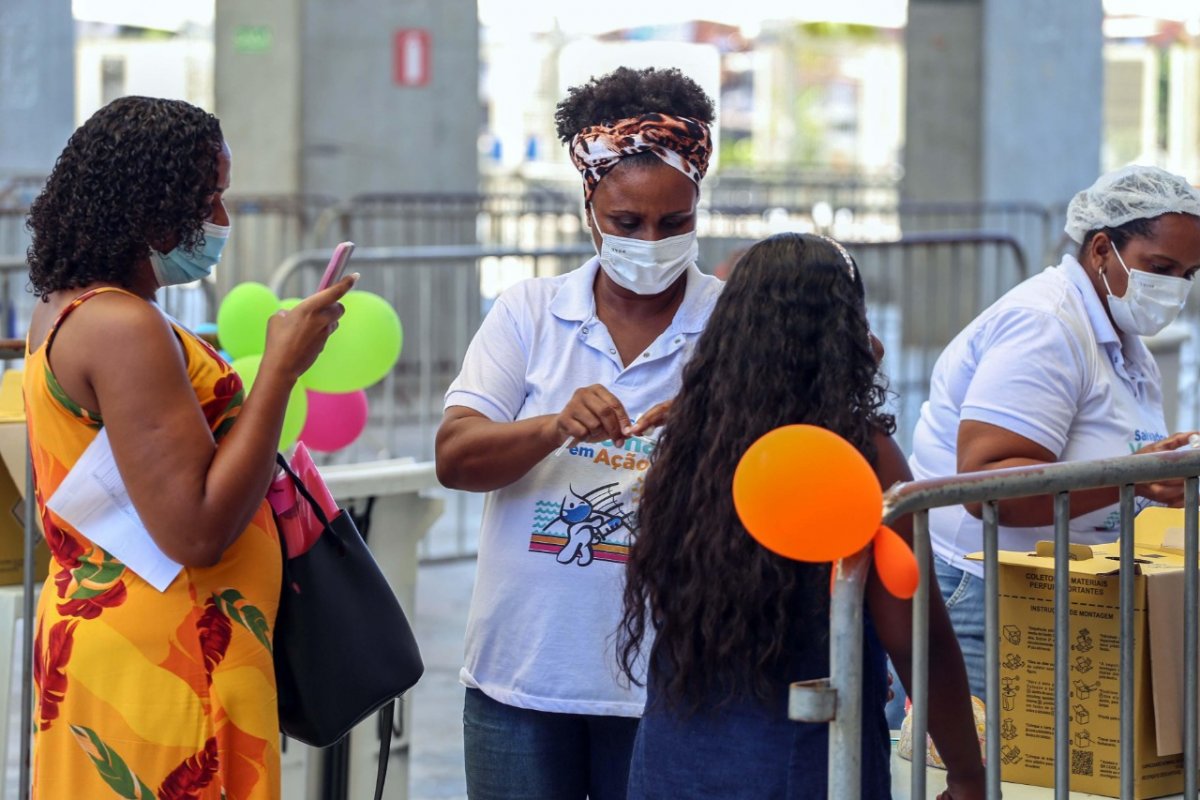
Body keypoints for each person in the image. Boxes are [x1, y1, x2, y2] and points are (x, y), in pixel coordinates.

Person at [23, 96, 352, 798]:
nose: (221, 223)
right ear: (147, 206)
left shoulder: (70, 306)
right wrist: (281, 371)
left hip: (134, 643)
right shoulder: (121, 325)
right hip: (172, 657)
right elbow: (195, 528)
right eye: (210, 201)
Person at [435, 66, 722, 799]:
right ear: (588, 206)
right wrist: (552, 426)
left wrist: (712, 431)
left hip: (671, 685)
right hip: (524, 681)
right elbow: (456, 456)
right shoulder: (530, 313)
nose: (651, 242)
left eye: (675, 223)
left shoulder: (730, 322)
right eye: (628, 223)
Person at [618, 232, 985, 799]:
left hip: (675, 756)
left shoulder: (690, 439)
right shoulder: (858, 452)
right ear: (848, 329)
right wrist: (967, 774)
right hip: (805, 763)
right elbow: (917, 635)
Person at [908, 164, 1200, 697]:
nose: (1173, 288)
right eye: (1160, 266)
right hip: (985, 597)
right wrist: (1137, 477)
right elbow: (988, 486)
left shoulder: (1120, 337)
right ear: (1101, 250)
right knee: (981, 772)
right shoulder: (1045, 326)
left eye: (1188, 274)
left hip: (1061, 592)